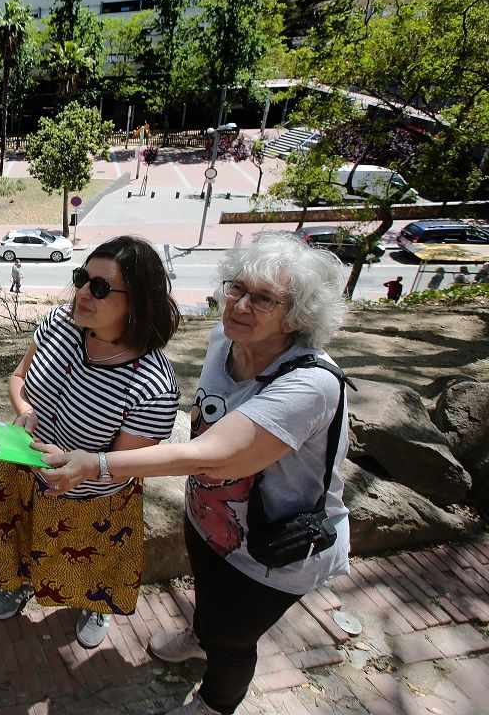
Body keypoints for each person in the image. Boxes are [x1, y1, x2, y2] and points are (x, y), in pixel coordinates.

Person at [34, 232, 352, 715]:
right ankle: (199, 636)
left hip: (274, 545)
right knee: (210, 605)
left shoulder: (309, 384)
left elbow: (212, 454)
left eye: (263, 298)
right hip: (212, 520)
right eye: (237, 288)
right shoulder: (224, 339)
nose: (240, 305)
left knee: (234, 639)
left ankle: (214, 703)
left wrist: (96, 462)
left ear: (297, 314)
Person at [0, 236, 181, 649]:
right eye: (81, 278)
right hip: (24, 473)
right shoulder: (59, 323)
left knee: (91, 565)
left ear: (137, 301)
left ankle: (96, 602)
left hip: (89, 498)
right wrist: (23, 411)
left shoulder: (152, 385)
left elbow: (125, 465)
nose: (82, 294)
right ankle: (18, 583)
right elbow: (18, 379)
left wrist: (82, 464)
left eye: (100, 287)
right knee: (18, 541)